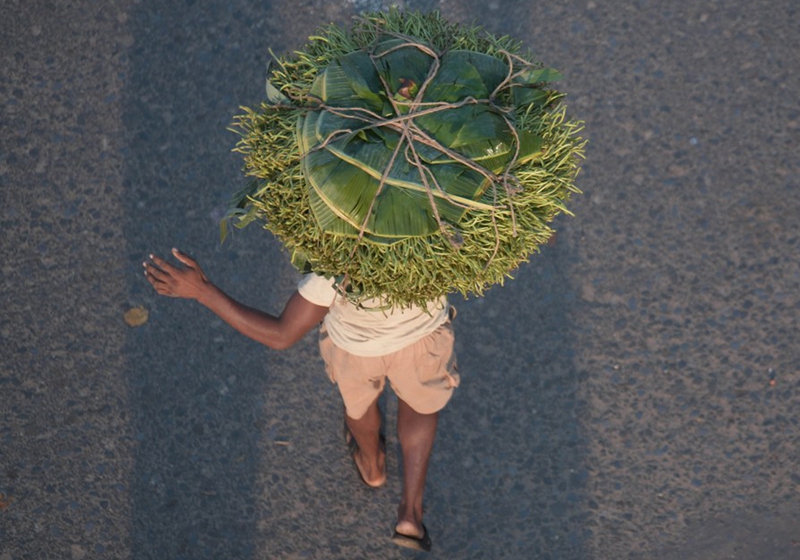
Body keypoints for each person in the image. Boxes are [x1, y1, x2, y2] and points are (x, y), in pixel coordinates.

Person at [143, 247, 459, 552]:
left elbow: (281, 334)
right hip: (423, 340)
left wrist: (203, 292)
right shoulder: (433, 235)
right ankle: (410, 515)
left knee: (359, 407)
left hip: (354, 351)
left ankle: (373, 466)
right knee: (421, 406)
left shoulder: (339, 259)